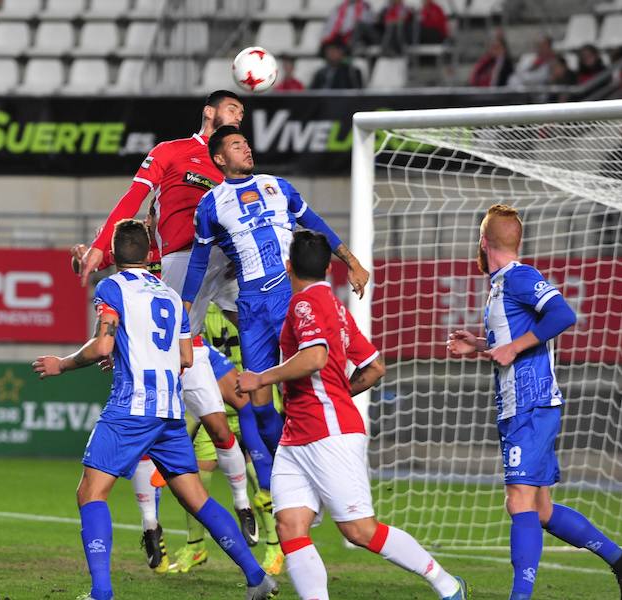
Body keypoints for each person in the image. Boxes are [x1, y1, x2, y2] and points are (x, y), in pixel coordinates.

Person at [33, 219, 278, 600]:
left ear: (114, 254)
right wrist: (130, 351)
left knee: (91, 494)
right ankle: (256, 576)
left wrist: (61, 364)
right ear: (150, 254)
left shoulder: (111, 287)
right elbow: (183, 356)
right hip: (170, 411)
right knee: (197, 498)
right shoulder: (168, 294)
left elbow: (101, 345)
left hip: (131, 408)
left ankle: (101, 593)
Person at [75, 90, 272, 539]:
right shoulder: (170, 153)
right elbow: (132, 208)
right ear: (208, 112)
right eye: (232, 108)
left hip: (230, 263)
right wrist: (101, 247)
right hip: (187, 268)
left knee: (264, 334)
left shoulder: (236, 169)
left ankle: (256, 483)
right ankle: (153, 522)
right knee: (199, 420)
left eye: (243, 112)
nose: (239, 115)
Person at [237, 230, 468, 600]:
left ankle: (448, 585)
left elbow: (315, 357)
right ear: (329, 267)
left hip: (327, 432)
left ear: (288, 267)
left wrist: (260, 378)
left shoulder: (304, 304)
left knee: (360, 530)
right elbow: (375, 366)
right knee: (289, 524)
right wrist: (339, 393)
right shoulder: (336, 307)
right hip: (300, 434)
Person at [447, 204, 622, 600]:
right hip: (520, 406)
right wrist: (479, 345)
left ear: (482, 241)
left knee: (518, 501)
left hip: (531, 404)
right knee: (541, 509)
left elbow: (562, 314)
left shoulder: (520, 277)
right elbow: (513, 341)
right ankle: (619, 560)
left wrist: (514, 347)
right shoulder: (499, 286)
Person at [72, 206, 259, 569]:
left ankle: (242, 502)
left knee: (221, 427)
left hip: (154, 381)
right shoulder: (163, 271)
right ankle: (153, 526)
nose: (153, 219)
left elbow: (106, 330)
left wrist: (68, 363)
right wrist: (85, 256)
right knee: (192, 492)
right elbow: (103, 255)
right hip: (170, 382)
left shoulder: (186, 247)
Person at [182, 125, 369, 459]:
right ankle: (289, 458)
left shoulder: (277, 187)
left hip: (290, 294)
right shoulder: (210, 205)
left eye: (247, 144)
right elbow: (198, 263)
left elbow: (316, 224)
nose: (247, 149)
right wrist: (185, 307)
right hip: (252, 304)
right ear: (219, 158)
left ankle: (331, 437)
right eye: (237, 145)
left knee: (317, 372)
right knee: (259, 398)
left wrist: (351, 261)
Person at [167, 303, 285, 577]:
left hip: (255, 398)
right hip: (216, 401)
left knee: (259, 475)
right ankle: (195, 545)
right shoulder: (202, 307)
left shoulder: (252, 304)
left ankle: (274, 546)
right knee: (197, 472)